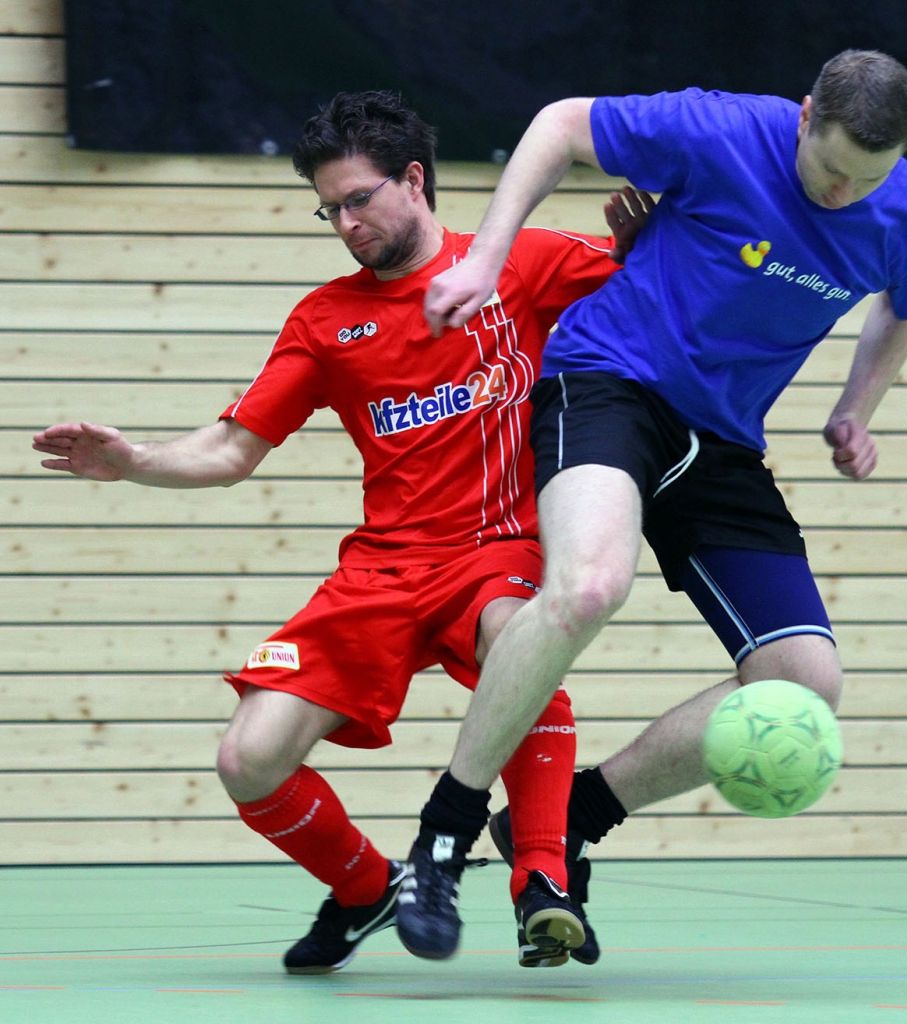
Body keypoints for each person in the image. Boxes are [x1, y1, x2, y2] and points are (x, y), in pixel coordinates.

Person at [32, 90, 651, 971]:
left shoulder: (526, 264)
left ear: (415, 180)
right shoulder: (326, 321)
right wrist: (133, 459)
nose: (347, 224)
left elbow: (667, 309)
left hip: (500, 550)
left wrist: (652, 257)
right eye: (330, 209)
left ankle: (542, 877)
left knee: (524, 636)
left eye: (360, 200)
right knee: (249, 758)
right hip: (385, 569)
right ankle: (369, 889)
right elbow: (231, 447)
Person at [395, 49, 907, 961]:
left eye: (868, 179)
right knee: (588, 587)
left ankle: (574, 816)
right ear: (805, 115)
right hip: (611, 382)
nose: (845, 193)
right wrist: (488, 257)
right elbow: (562, 123)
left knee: (807, 684)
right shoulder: (724, 128)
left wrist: (858, 408)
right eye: (830, 169)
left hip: (723, 439)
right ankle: (442, 837)